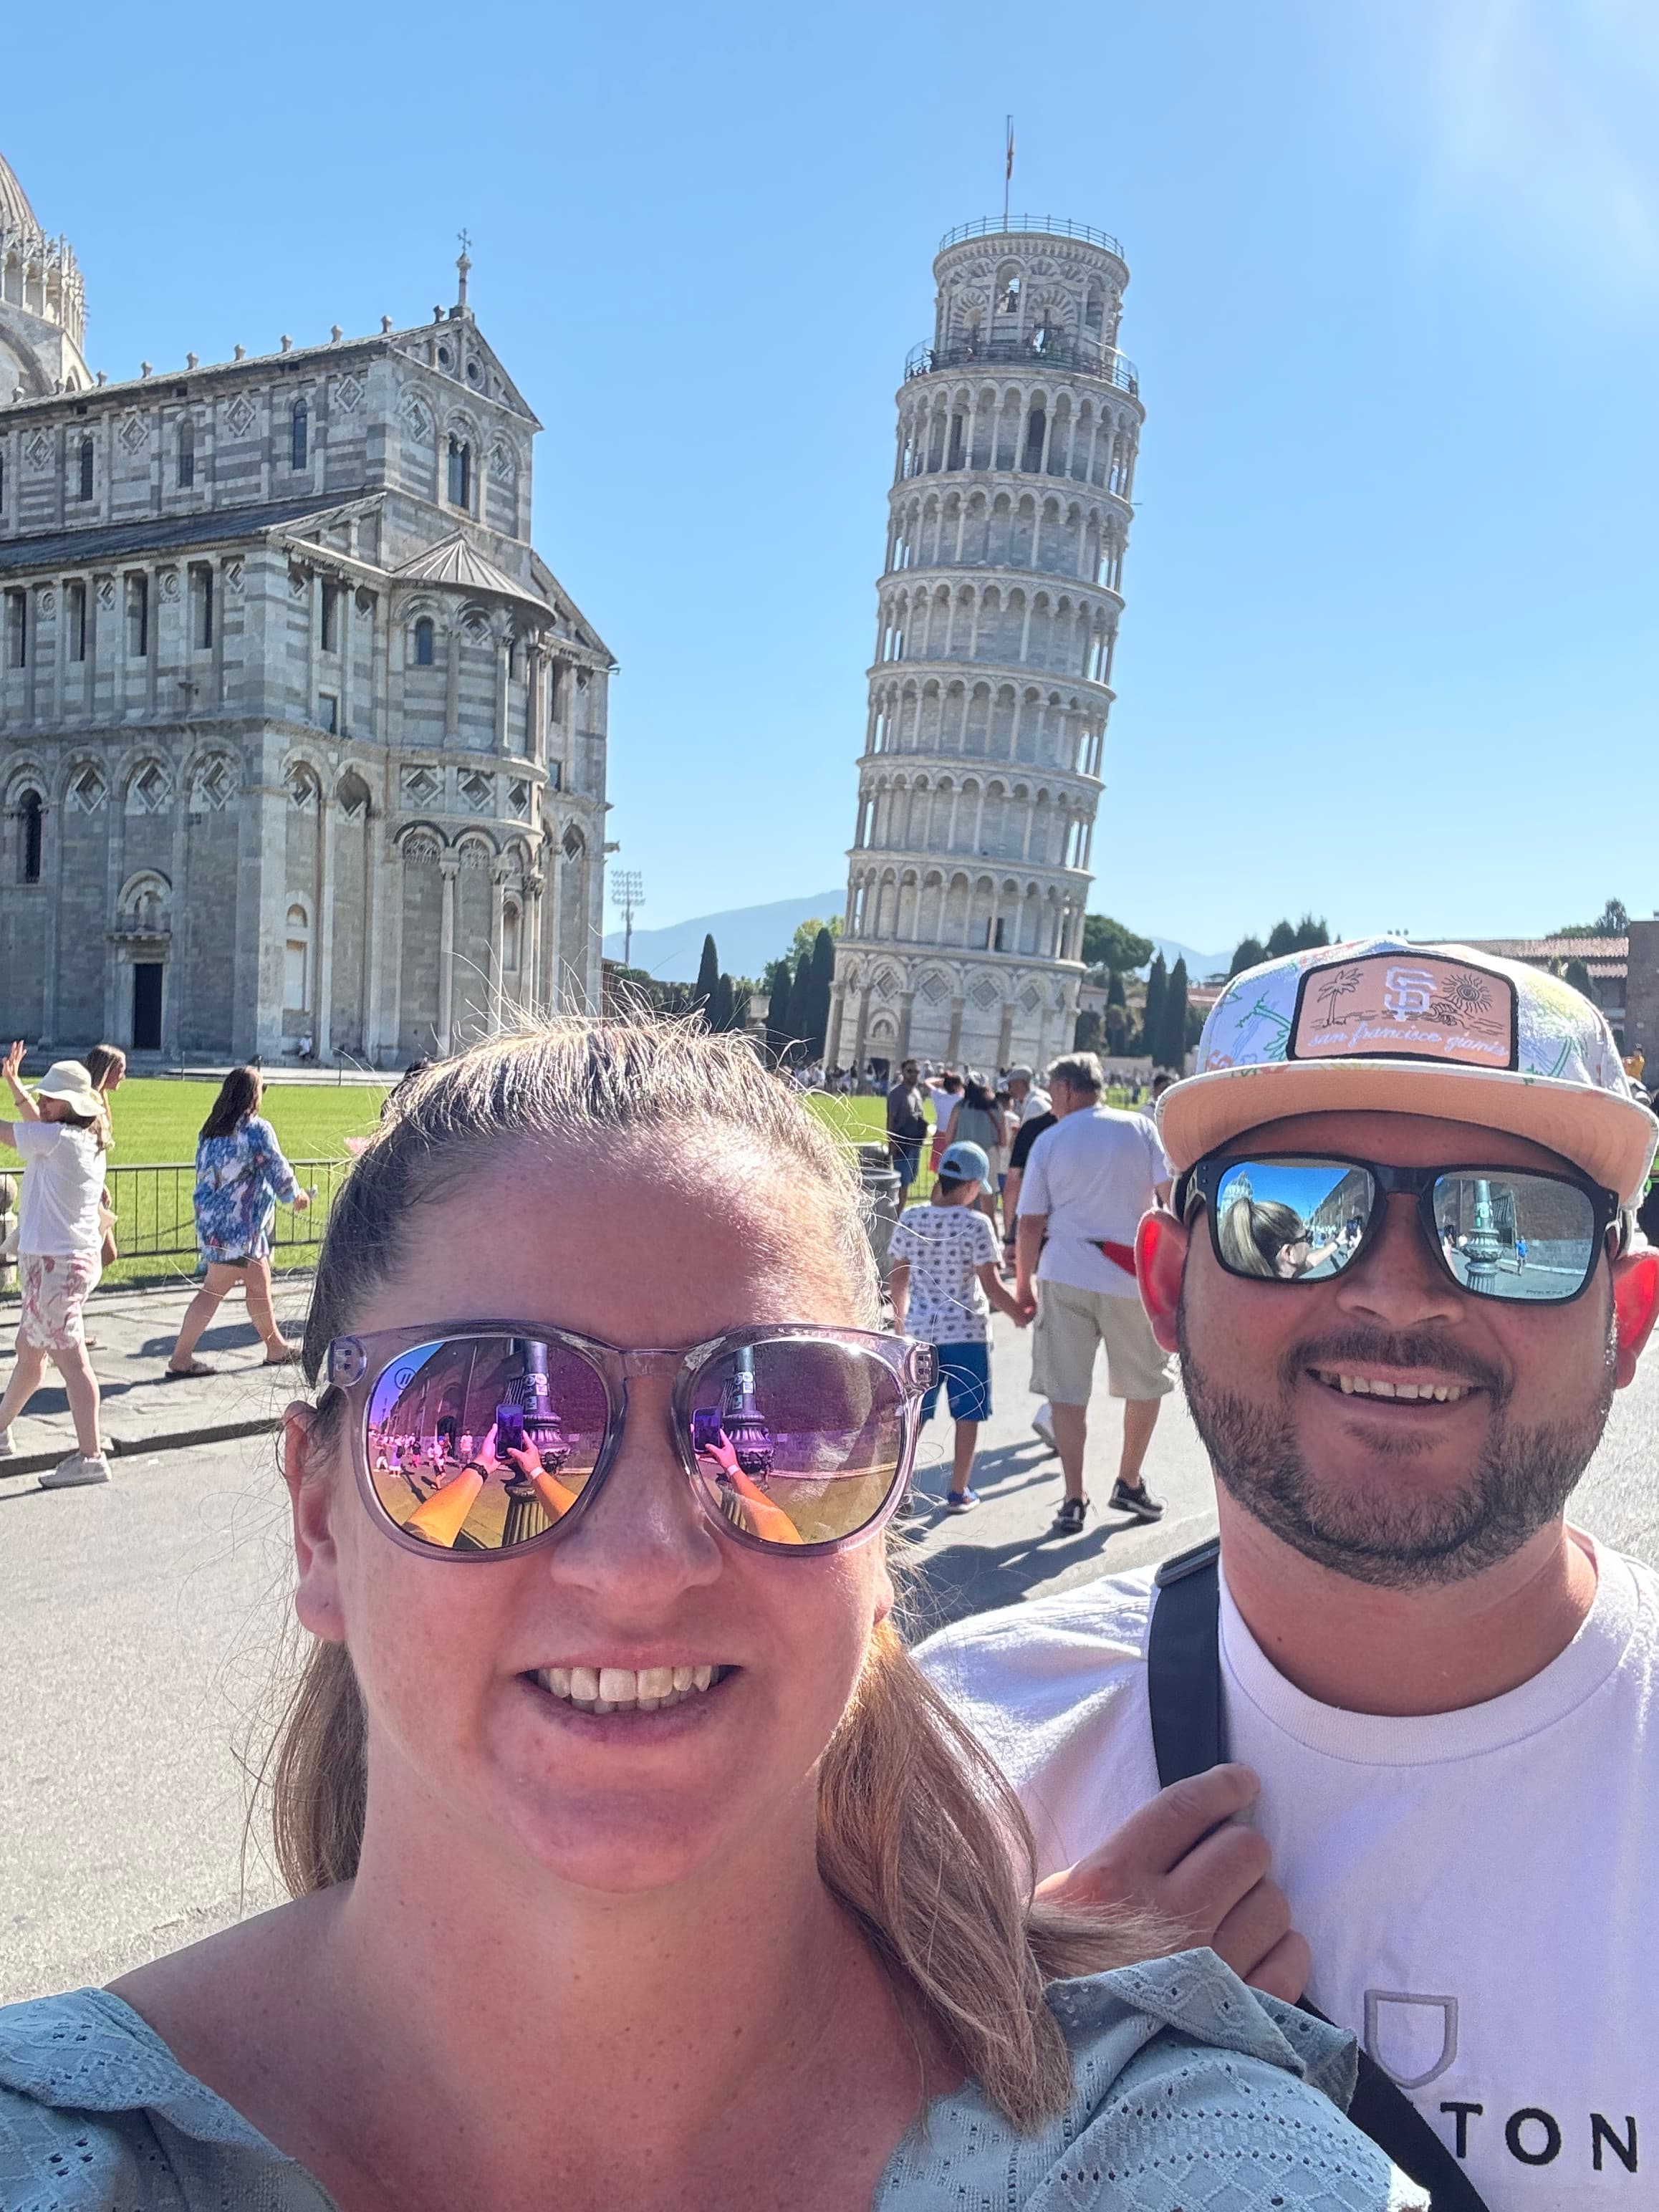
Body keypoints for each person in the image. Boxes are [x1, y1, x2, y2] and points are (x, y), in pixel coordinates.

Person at [0, 1019, 1423, 2211]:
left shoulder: (1193, 2156)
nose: (640, 1560)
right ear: (320, 1521)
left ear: (881, 1521)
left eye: (784, 1420)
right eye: (490, 1413)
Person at [918, 937, 1659, 2210]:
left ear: (1626, 1320)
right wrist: (982, 2063)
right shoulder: (956, 1764)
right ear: (1164, 1283)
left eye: (1514, 1223)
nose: (1397, 1288)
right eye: (1294, 1211)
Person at [1014, 1054, 1174, 1534]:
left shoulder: (1049, 1140)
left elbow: (1030, 1222)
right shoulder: (1141, 1129)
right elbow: (1169, 1196)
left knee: (1067, 1392)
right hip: (1132, 1274)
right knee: (1146, 1383)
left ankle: (1073, 1495)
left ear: (1064, 1090)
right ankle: (1128, 1479)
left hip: (1065, 1271)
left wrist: (1022, 1284)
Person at [888, 1138, 1028, 1513]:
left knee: (914, 1417)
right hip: (967, 1335)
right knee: (968, 1414)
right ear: (970, 1187)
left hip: (920, 1336)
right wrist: (1020, 1314)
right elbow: (991, 1285)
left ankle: (899, 1491)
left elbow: (898, 1277)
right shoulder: (978, 1225)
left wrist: (900, 1324)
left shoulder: (911, 1218)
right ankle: (958, 1491)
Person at [0, 1047, 113, 1487]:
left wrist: (15, 1091)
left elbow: (17, 1132)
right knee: (30, 1355)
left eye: (50, 1098)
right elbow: (33, 1123)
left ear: (69, 1107)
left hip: (54, 1266)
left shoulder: (58, 1139)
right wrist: (13, 1084)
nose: (42, 1102)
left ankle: (91, 1456)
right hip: (58, 1264)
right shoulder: (80, 1139)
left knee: (72, 1362)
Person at [164, 1067, 310, 1377]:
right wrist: (295, 1196)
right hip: (241, 1225)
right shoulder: (256, 1130)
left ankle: (275, 1347)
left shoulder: (211, 1130)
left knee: (258, 1285)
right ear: (252, 1095)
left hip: (215, 1222)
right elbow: (277, 1167)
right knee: (214, 1289)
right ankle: (181, 1357)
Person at [950, 1077, 1006, 1231]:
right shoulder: (997, 1107)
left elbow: (949, 1136)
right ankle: (992, 1242)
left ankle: (963, 1242)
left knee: (965, 1207)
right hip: (988, 1158)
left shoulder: (960, 1107)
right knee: (989, 1211)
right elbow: (1003, 1141)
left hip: (963, 1158)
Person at [885, 1056, 930, 1200]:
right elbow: (891, 1119)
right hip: (901, 1145)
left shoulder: (917, 1093)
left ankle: (899, 1215)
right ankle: (895, 1217)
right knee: (901, 1183)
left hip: (914, 1144)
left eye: (916, 1072)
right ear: (903, 1072)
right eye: (910, 1071)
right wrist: (892, 1143)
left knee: (908, 1182)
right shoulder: (896, 1094)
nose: (914, 1075)